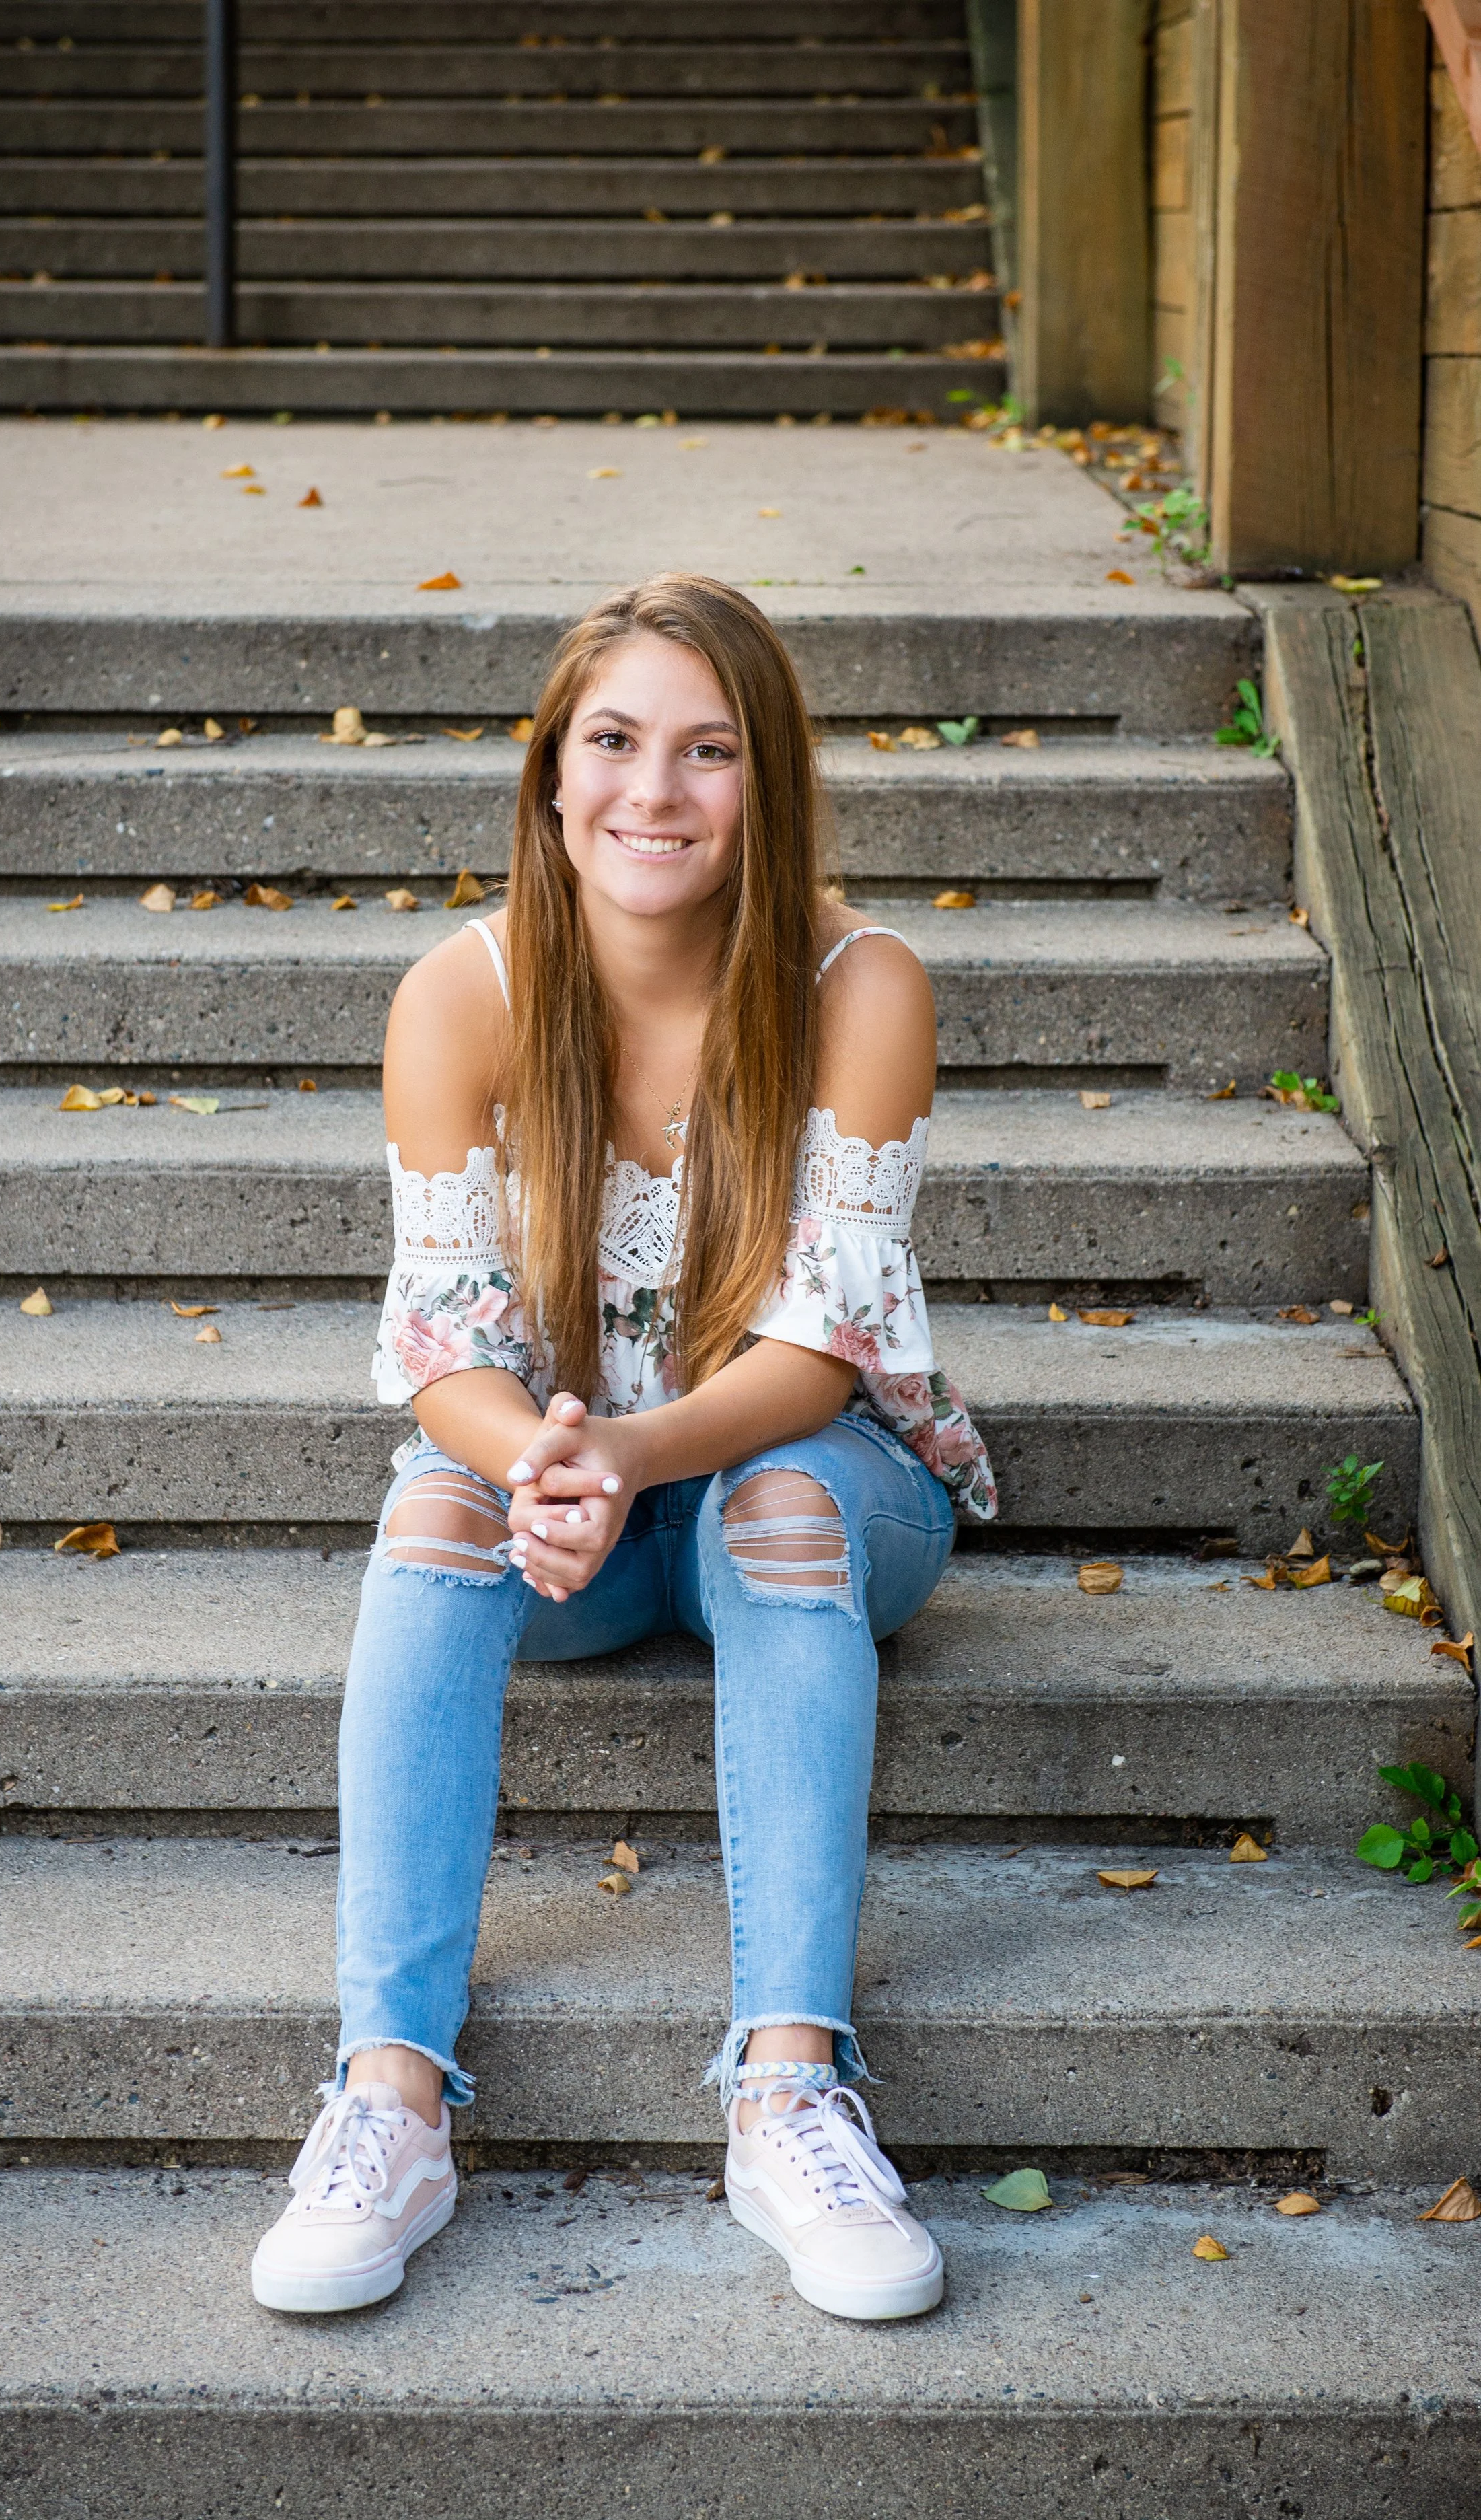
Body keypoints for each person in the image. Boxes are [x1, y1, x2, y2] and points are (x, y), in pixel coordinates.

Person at [252, 573, 996, 2325]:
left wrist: (631, 1451)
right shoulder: (461, 999)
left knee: (789, 1508)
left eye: (709, 751)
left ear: (770, 783)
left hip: (809, 1481)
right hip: (568, 1514)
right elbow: (441, 1346)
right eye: (612, 742)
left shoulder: (859, 986)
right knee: (436, 1503)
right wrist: (539, 1467)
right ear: (548, 775)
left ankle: (790, 2091)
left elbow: (822, 1343)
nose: (652, 793)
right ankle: (389, 2098)